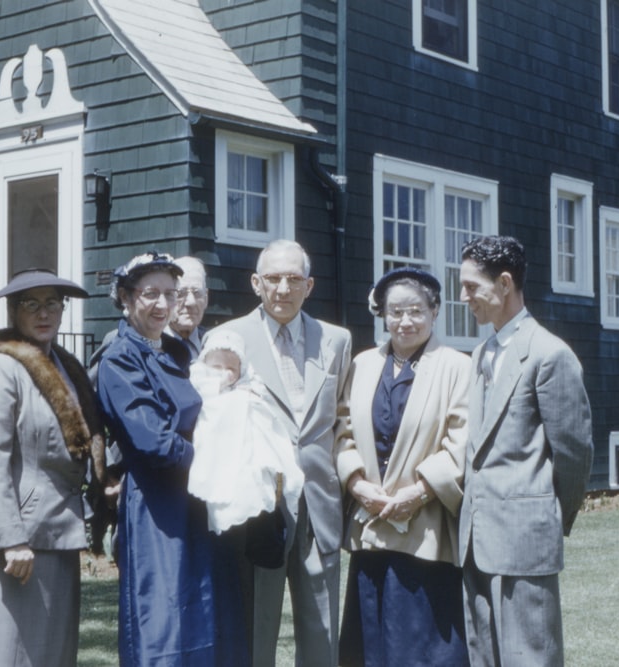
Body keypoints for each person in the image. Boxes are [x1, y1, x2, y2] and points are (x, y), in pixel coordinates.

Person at [96, 251, 246, 667]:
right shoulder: (120, 358)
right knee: (164, 620)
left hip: (197, 501)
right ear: (125, 299)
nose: (164, 305)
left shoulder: (177, 354)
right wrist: (215, 460)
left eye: (171, 294)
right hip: (158, 509)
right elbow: (154, 443)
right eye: (150, 294)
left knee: (208, 616)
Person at [210, 239, 352, 667]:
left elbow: (341, 418)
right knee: (256, 631)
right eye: (273, 279)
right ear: (256, 283)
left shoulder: (337, 340)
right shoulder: (227, 339)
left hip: (319, 506)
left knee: (322, 634)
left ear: (309, 285)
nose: (283, 289)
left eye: (293, 279)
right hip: (260, 508)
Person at [0, 269, 103, 667]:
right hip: (14, 544)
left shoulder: (65, 368)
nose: (44, 313)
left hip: (57, 535)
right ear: (13, 311)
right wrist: (11, 538)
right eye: (31, 304)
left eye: (52, 303)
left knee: (49, 656)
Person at [457, 235, 594, 666]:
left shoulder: (550, 355)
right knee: (484, 657)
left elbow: (573, 455)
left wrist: (542, 516)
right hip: (475, 539)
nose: (464, 297)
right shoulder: (481, 352)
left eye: (471, 287)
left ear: (504, 284)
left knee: (530, 658)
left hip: (525, 541)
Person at [336, 267, 472, 667]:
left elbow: (461, 442)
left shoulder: (456, 367)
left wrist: (418, 493)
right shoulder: (361, 365)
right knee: (371, 646)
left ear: (435, 312)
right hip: (372, 526)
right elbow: (341, 431)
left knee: (423, 647)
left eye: (415, 311)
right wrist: (357, 484)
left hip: (425, 532)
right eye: (395, 312)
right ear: (382, 315)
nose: (405, 321)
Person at [187, 330, 304, 560]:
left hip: (246, 456)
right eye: (216, 367)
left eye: (231, 369)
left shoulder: (249, 386)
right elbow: (199, 400)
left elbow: (266, 416)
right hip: (213, 452)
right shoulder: (198, 380)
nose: (224, 374)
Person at [167, 255, 210, 357]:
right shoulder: (150, 346)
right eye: (181, 293)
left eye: (197, 293)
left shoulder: (214, 343)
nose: (191, 302)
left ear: (206, 299)